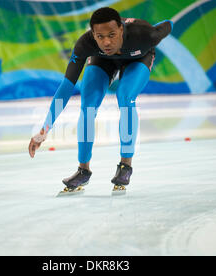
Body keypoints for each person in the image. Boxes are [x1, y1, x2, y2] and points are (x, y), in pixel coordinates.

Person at [28, 7, 173, 193]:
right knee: (87, 106)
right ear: (93, 35)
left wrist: (168, 25)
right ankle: (83, 170)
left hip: (139, 57)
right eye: (100, 37)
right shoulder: (85, 44)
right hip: (103, 60)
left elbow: (167, 25)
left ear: (121, 29)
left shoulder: (145, 34)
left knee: (125, 96)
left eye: (112, 35)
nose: (106, 42)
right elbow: (65, 88)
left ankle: (125, 166)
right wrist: (44, 128)